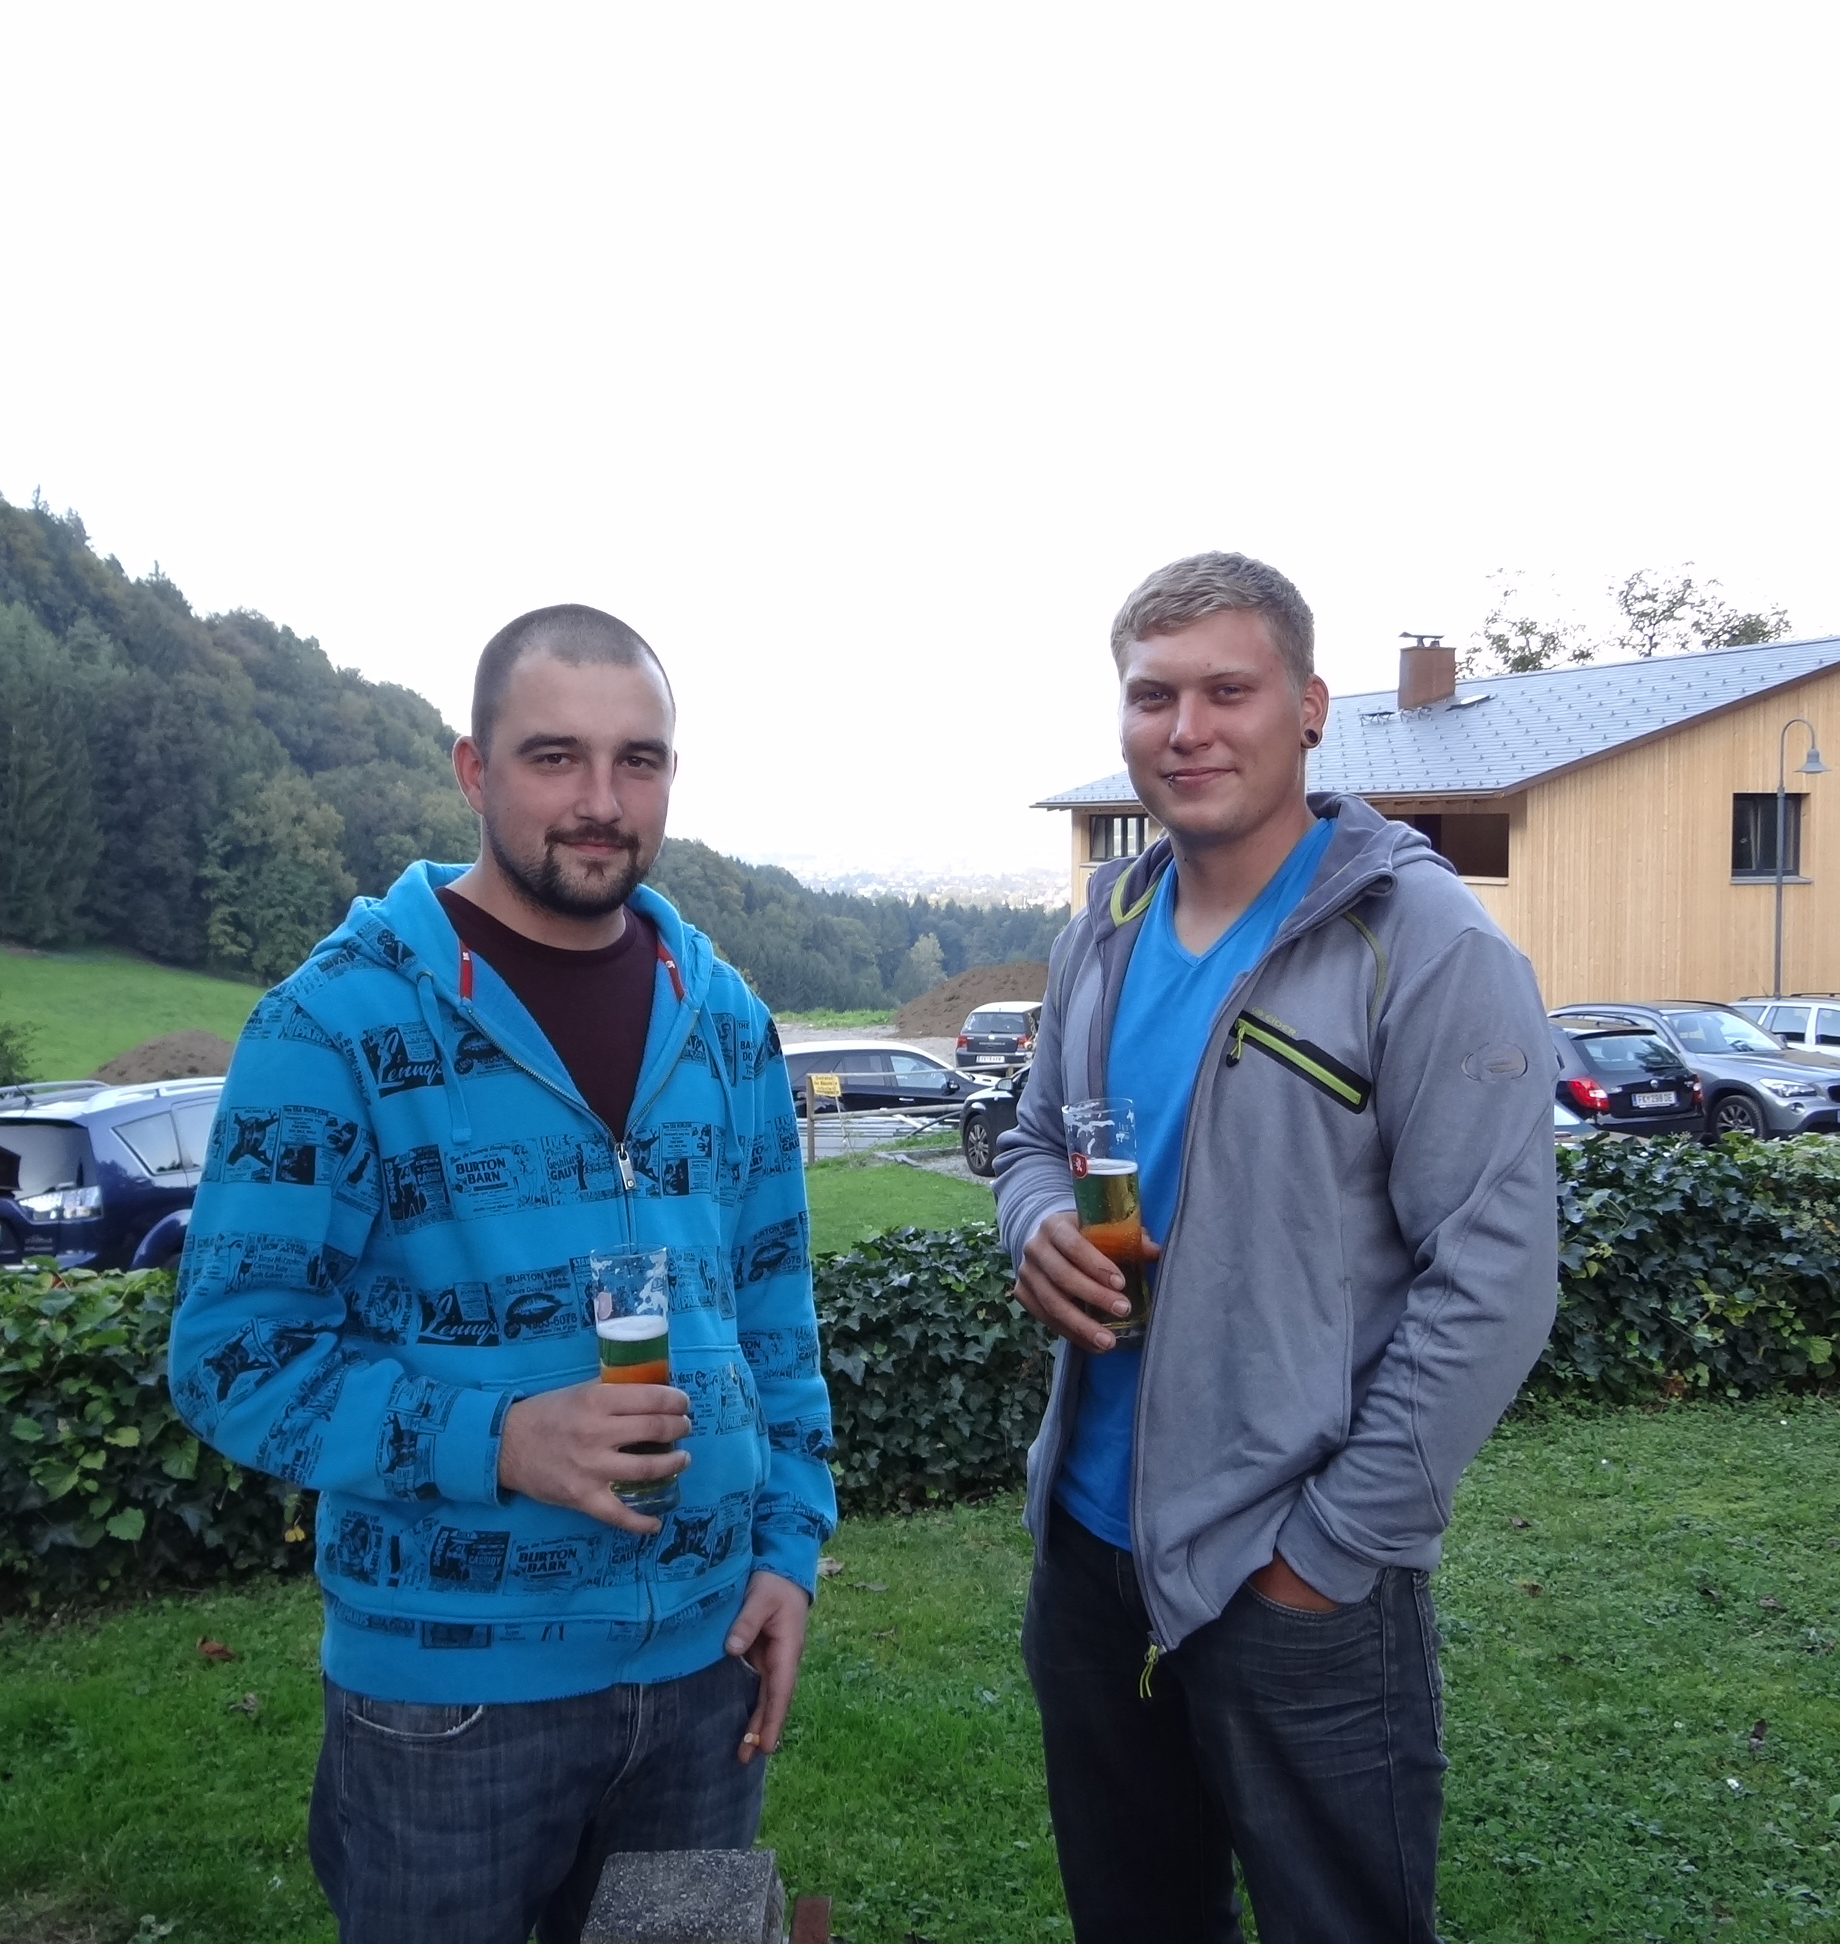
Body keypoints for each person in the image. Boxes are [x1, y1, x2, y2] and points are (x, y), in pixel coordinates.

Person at [169, 604, 836, 1944]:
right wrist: (502, 1441)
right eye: (555, 757)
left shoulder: (725, 1022)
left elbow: (773, 1309)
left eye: (638, 760)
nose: (602, 802)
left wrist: (789, 1548)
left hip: (705, 1669)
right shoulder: (335, 1023)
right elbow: (233, 1358)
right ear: (474, 771)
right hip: (448, 1700)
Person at [994, 553, 1558, 1944]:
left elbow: (1495, 1283)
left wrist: (1327, 1553)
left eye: (1227, 691)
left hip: (1293, 1575)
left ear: (1309, 708)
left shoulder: (1420, 942)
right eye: (1153, 697)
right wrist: (1038, 1222)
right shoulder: (1106, 929)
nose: (1186, 730)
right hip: (1092, 1557)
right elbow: (1029, 1139)